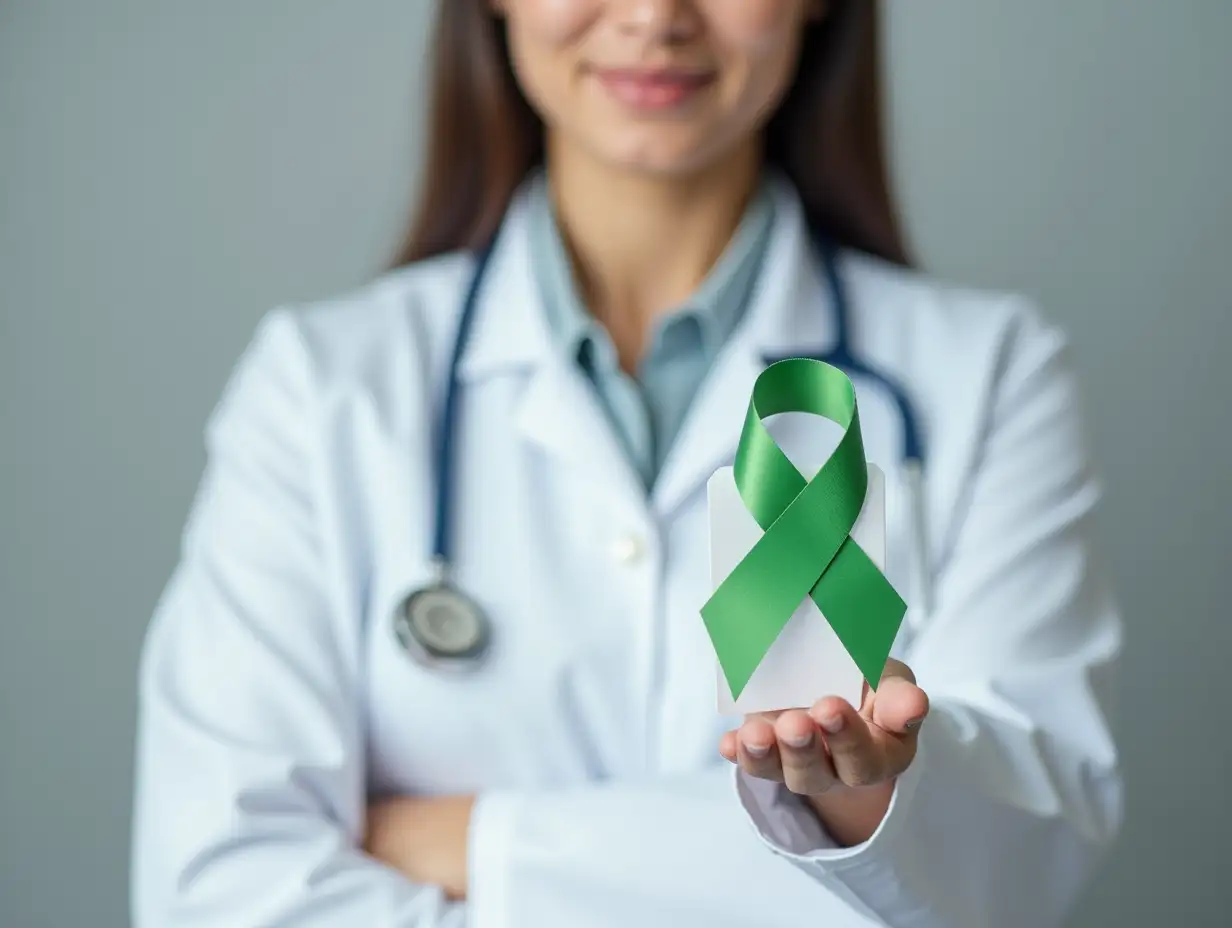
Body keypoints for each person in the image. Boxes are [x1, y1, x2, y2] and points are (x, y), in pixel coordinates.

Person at [130, 1, 1123, 926]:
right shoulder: (319, 386)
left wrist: (477, 840)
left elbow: (1022, 853)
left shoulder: (986, 375)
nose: (653, 16)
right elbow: (219, 888)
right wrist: (815, 867)